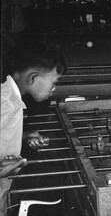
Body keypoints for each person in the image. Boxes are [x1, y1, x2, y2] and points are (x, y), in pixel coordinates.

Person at [0, 43, 66, 215]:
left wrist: (23, 137)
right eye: (54, 82)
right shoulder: (5, 103)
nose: (54, 89)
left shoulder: (10, 99)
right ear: (33, 78)